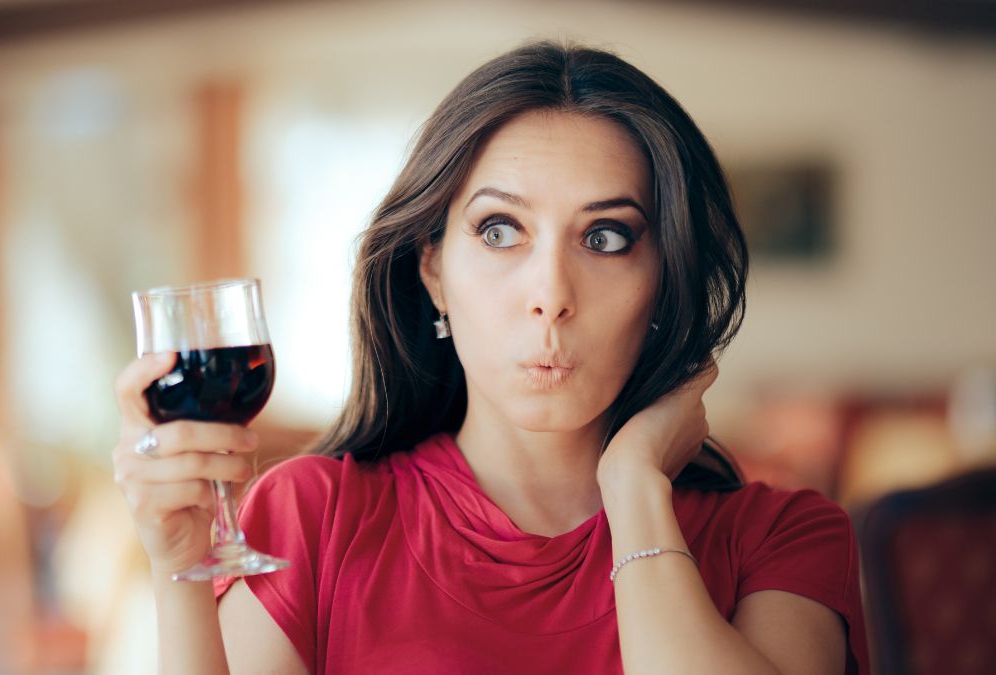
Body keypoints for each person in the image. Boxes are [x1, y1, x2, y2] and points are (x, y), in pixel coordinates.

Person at [113, 42, 870, 674]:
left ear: (665, 281)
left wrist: (634, 486)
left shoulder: (784, 539)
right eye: (501, 231)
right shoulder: (315, 516)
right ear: (432, 268)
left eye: (605, 237)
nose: (550, 294)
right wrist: (178, 572)